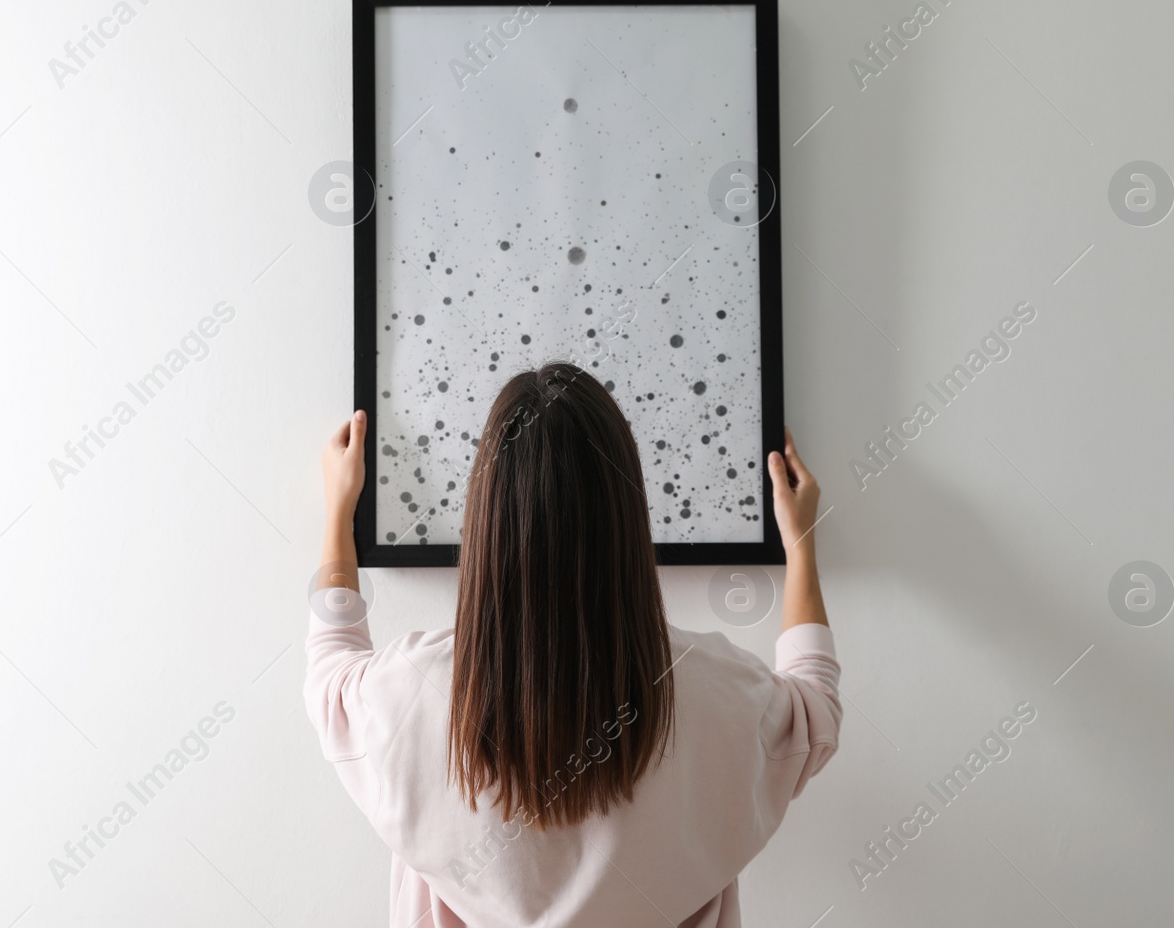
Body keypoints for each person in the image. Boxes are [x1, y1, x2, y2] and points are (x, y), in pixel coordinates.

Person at [306, 362, 840, 927]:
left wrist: (340, 512)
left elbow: (331, 663)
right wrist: (800, 545)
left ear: (486, 518)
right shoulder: (724, 693)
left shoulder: (410, 693)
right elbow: (816, 706)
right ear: (628, 513)